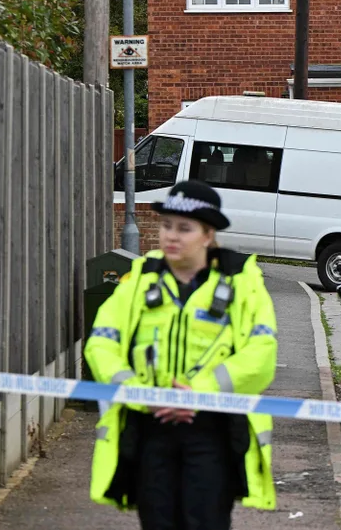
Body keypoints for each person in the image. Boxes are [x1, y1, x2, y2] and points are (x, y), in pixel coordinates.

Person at [86, 180, 279, 530]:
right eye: (166, 226)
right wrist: (137, 392)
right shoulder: (140, 280)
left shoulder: (241, 283)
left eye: (184, 229)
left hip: (212, 430)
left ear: (208, 235)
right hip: (149, 426)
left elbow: (261, 353)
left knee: (205, 521)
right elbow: (102, 343)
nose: (171, 236)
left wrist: (201, 393)